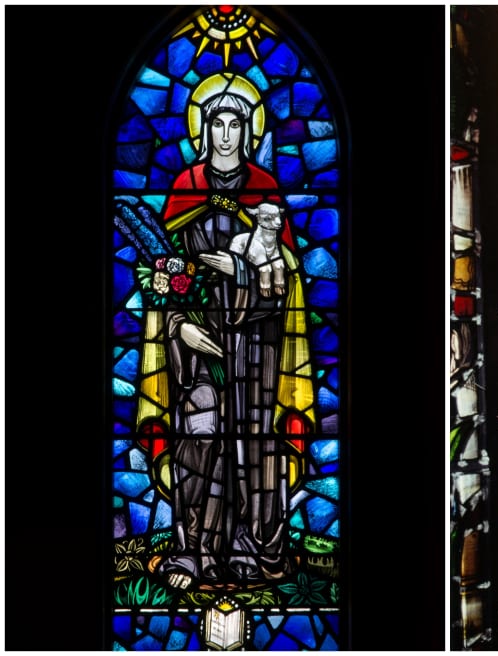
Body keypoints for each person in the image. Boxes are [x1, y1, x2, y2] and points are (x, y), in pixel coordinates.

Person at [139, 86, 316, 590]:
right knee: (198, 437)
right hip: (195, 354)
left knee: (253, 447)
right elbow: (168, 275)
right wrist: (181, 327)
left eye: (235, 125)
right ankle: (194, 552)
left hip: (256, 350)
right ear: (203, 131)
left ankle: (247, 547)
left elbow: (286, 278)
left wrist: (239, 270)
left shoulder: (264, 191)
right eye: (216, 123)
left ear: (248, 132)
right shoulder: (183, 188)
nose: (224, 134)